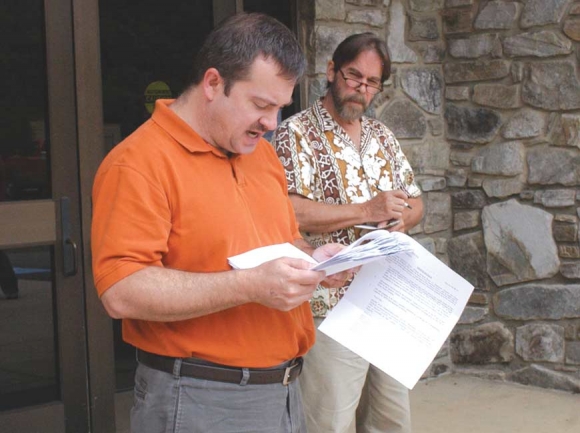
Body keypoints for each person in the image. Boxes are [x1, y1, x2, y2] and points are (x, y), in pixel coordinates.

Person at [91, 13, 353, 433]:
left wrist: (314, 263)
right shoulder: (137, 162)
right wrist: (249, 285)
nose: (271, 123)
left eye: (279, 108)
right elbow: (121, 291)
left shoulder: (260, 154)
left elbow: (280, 242)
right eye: (260, 105)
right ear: (213, 83)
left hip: (284, 392)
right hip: (198, 398)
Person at [273, 33, 424, 433]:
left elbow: (417, 201)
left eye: (372, 82)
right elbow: (285, 208)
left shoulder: (383, 137)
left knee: (391, 421)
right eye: (353, 75)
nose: (361, 88)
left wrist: (401, 218)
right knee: (330, 422)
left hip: (388, 299)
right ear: (331, 71)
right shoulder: (295, 133)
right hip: (329, 305)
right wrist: (365, 210)